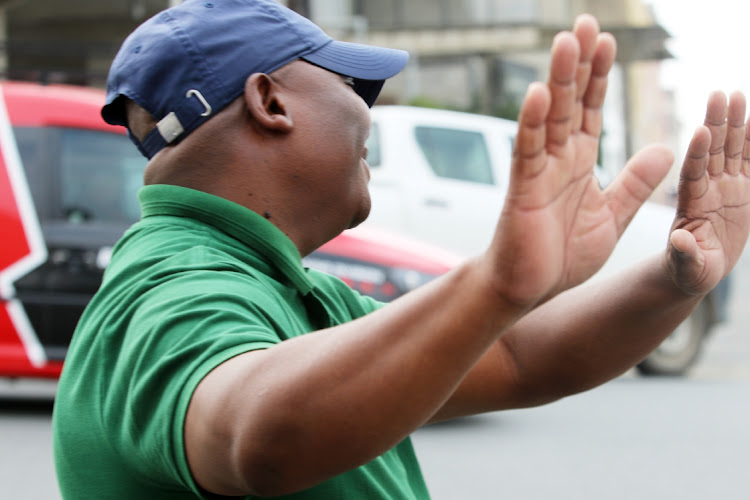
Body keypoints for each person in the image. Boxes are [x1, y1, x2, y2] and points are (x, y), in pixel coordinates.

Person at [52, 0, 750, 498]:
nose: (371, 111)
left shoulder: (277, 284)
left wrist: (673, 280)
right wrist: (494, 284)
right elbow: (254, 437)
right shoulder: (175, 285)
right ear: (270, 101)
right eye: (351, 82)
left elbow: (516, 359)